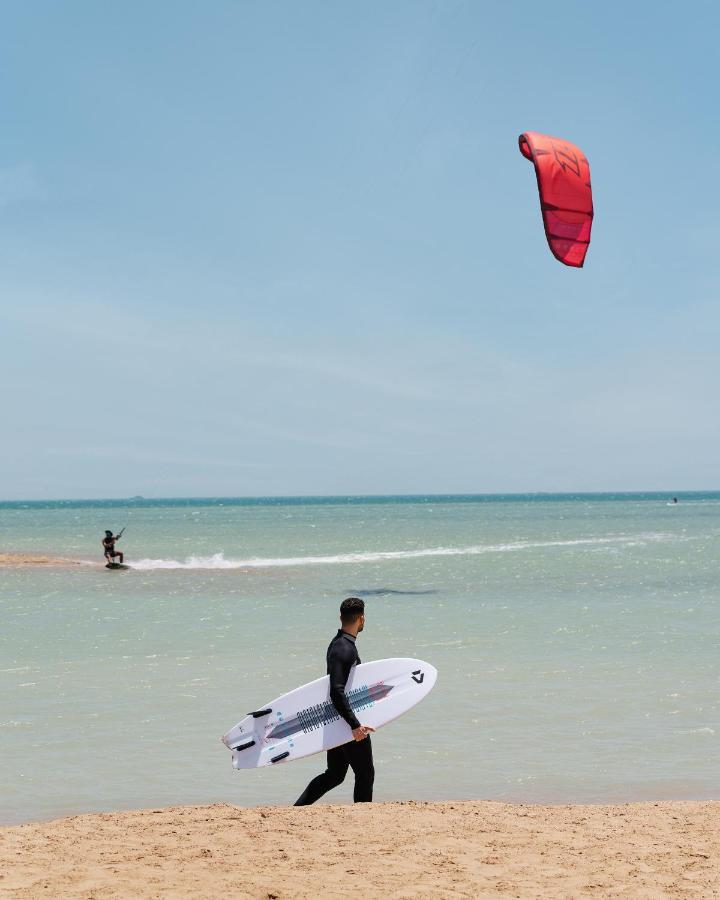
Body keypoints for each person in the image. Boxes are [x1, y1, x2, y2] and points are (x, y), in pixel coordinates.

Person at [295, 597, 375, 805]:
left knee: (335, 774)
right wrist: (355, 725)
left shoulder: (341, 644)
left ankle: (297, 809)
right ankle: (363, 816)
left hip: (337, 718)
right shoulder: (344, 648)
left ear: (341, 617)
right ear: (361, 619)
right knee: (365, 773)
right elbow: (337, 691)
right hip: (345, 722)